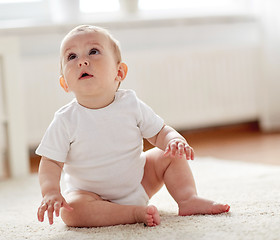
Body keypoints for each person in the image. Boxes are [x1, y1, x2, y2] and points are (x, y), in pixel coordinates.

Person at [36, 25, 230, 227]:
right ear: (65, 84)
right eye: (71, 57)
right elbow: (51, 162)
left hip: (139, 184)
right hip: (90, 196)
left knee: (171, 154)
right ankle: (132, 213)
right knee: (71, 212)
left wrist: (173, 139)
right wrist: (51, 192)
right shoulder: (65, 120)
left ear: (119, 72)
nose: (82, 61)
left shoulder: (131, 104)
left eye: (93, 52)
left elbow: (159, 132)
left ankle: (188, 199)